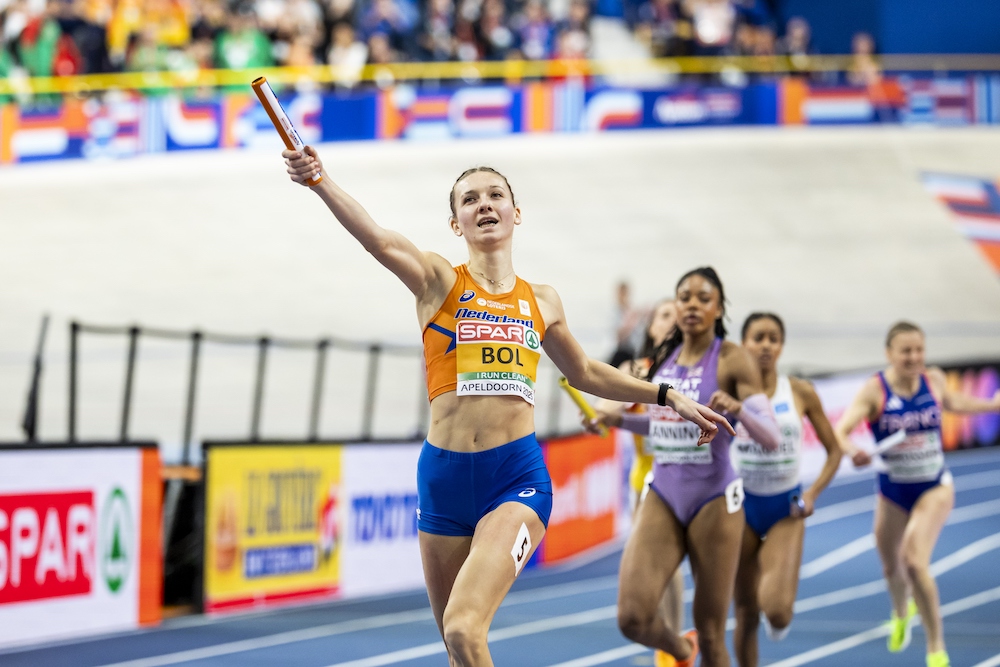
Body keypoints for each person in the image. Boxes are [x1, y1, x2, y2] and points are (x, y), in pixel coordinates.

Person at [282, 147, 733, 666]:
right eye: (470, 199)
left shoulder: (541, 300)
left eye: (496, 194)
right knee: (457, 648)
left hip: (514, 477)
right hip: (443, 479)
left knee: (463, 628)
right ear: (457, 223)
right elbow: (379, 240)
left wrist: (668, 395)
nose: (485, 204)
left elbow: (584, 371)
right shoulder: (438, 281)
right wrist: (321, 182)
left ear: (516, 213)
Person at [592, 267, 781, 667]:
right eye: (684, 297)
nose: (692, 304)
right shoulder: (662, 360)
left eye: (703, 297)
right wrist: (619, 420)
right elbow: (663, 425)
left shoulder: (733, 359)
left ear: (718, 308)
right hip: (664, 491)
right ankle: (680, 649)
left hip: (714, 499)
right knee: (632, 617)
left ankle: (697, 646)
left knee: (712, 633)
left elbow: (771, 437)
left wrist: (740, 408)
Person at [834, 321, 1000, 667]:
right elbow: (841, 432)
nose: (914, 357)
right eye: (906, 351)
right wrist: (852, 451)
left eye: (919, 350)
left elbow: (955, 401)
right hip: (892, 491)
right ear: (889, 354)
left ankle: (936, 647)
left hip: (934, 487)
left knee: (913, 561)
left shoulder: (934, 380)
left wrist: (992, 406)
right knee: (890, 568)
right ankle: (900, 613)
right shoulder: (874, 390)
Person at [729, 312, 842, 667]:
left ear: (781, 346)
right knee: (745, 612)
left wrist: (812, 495)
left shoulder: (800, 392)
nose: (765, 345)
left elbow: (835, 450)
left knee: (776, 612)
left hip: (786, 508)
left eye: (772, 338)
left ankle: (778, 613)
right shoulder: (726, 392)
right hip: (740, 508)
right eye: (757, 338)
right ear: (743, 344)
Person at [594, 299, 687, 667]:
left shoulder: (695, 370)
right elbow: (603, 409)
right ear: (651, 327)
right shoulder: (636, 368)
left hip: (691, 476)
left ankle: (680, 642)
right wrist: (634, 384)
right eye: (665, 316)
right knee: (660, 566)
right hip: (648, 482)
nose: (673, 322)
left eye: (679, 317)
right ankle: (671, 648)